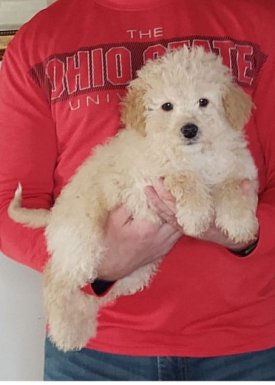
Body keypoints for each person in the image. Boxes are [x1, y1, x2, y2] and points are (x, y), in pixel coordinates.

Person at [0, 0, 275, 381]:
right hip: (96, 351)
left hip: (246, 344)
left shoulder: (261, 22)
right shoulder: (38, 41)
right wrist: (100, 264)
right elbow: (9, 205)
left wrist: (245, 232)